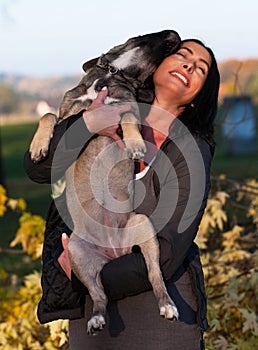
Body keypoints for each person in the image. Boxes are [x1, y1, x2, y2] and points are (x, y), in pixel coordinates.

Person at [24, 37, 220, 349]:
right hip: (94, 312)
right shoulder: (107, 106)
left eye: (201, 68)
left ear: (199, 96)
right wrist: (88, 123)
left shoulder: (192, 149)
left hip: (159, 314)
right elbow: (38, 170)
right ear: (155, 66)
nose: (189, 65)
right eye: (183, 54)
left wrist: (84, 277)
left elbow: (169, 251)